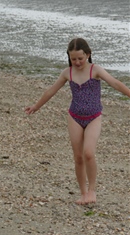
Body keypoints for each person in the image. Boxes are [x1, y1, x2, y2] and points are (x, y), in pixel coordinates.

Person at [25, 38, 130, 205]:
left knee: (89, 153)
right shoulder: (67, 73)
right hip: (74, 116)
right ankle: (82, 193)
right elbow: (51, 90)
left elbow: (115, 84)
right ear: (69, 57)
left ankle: (92, 191)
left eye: (80, 58)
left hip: (94, 116)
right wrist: (36, 106)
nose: (77, 62)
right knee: (78, 157)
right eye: (73, 59)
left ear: (88, 54)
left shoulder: (95, 70)